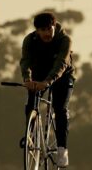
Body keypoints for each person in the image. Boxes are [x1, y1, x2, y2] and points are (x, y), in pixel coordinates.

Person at [20, 12, 75, 168]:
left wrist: (48, 82)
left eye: (49, 29)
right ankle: (30, 134)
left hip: (63, 76)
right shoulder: (30, 40)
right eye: (42, 30)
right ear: (36, 30)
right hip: (39, 74)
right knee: (31, 101)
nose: (46, 33)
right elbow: (25, 62)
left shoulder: (64, 40)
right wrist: (27, 79)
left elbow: (61, 64)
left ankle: (62, 149)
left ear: (54, 26)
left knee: (60, 108)